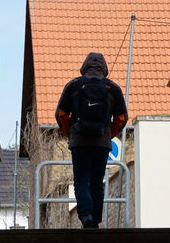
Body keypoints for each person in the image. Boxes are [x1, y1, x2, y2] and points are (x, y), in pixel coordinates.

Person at [55, 52, 128, 228]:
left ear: (85, 66)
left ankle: (85, 214)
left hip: (79, 141)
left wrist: (69, 132)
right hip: (101, 143)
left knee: (81, 180)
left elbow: (61, 114)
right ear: (104, 67)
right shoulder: (113, 88)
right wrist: (108, 134)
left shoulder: (74, 85)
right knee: (97, 181)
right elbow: (122, 118)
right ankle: (95, 220)